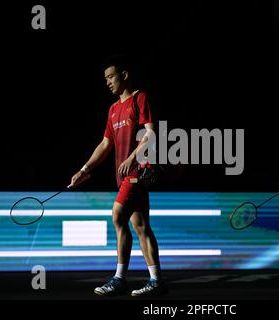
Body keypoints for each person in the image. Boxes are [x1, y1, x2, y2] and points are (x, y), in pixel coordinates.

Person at [69, 55, 167, 297]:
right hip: (122, 174)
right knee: (140, 225)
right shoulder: (113, 110)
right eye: (105, 79)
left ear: (124, 75)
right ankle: (156, 281)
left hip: (137, 171)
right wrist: (84, 170)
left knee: (117, 216)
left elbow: (151, 134)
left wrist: (132, 157)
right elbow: (105, 144)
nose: (108, 82)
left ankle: (119, 278)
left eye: (111, 76)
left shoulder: (139, 98)